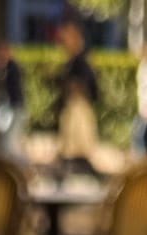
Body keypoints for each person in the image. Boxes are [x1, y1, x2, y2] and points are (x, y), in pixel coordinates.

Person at [56, 21, 99, 174]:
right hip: (73, 105)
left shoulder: (80, 62)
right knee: (70, 147)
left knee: (78, 146)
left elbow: (84, 84)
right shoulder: (73, 61)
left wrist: (73, 90)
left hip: (78, 105)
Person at [0, 41, 26, 159]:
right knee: (6, 142)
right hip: (10, 108)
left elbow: (10, 91)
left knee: (9, 144)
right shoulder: (8, 68)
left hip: (13, 108)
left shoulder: (11, 69)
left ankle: (21, 167)